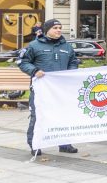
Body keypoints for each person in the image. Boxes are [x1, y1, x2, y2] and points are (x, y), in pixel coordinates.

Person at [19, 19, 78, 156]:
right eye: (55, 28)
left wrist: (70, 71)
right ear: (47, 30)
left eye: (60, 27)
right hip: (41, 89)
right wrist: (34, 71)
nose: (58, 30)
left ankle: (64, 144)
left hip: (61, 90)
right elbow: (22, 62)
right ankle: (35, 144)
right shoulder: (34, 45)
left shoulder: (67, 47)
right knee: (38, 116)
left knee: (63, 115)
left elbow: (73, 61)